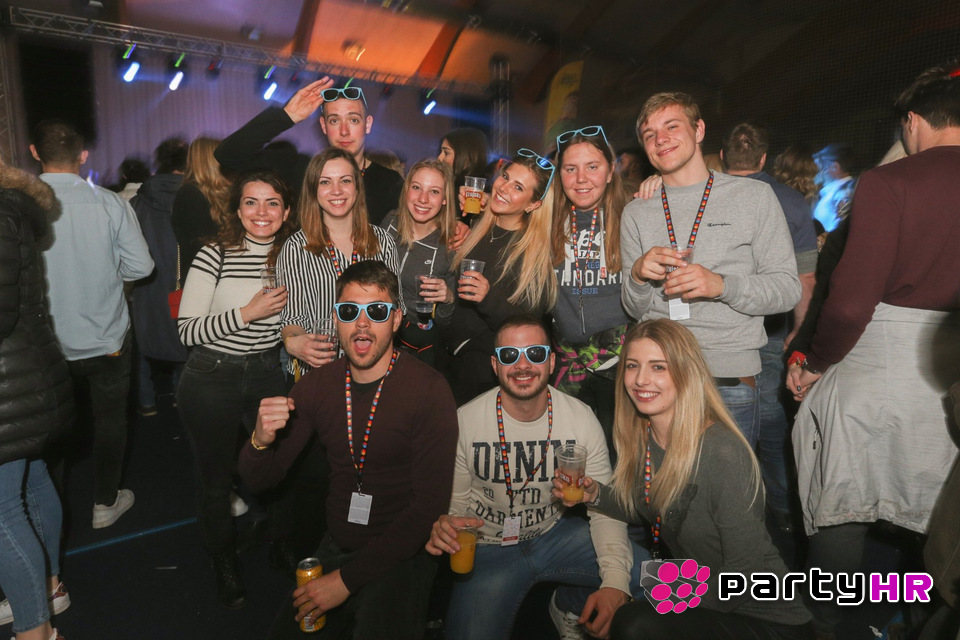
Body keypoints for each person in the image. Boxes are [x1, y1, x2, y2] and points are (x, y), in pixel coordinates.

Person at [788, 61, 960, 639]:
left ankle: (829, 622)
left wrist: (815, 363)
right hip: (953, 378)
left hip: (881, 364)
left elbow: (848, 304)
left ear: (913, 121)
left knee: (842, 496)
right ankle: (920, 620)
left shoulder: (890, 182)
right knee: (943, 513)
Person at [239, 260, 458, 640]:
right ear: (336, 319)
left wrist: (345, 581)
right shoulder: (316, 387)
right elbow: (261, 480)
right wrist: (260, 440)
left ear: (396, 320)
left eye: (377, 311)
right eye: (349, 311)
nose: (362, 324)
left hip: (402, 552)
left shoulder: (429, 390)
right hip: (337, 545)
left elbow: (428, 508)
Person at [558, 319, 812, 640]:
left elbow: (743, 575)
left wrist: (659, 600)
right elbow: (647, 507)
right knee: (628, 594)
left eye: (658, 367)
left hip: (765, 619)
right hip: (706, 589)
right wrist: (594, 494)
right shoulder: (646, 435)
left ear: (686, 373)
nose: (640, 379)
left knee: (633, 621)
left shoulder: (721, 451)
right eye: (633, 365)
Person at [427, 315, 644, 640]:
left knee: (666, 580)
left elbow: (604, 510)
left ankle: (569, 603)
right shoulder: (466, 421)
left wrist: (615, 583)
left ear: (552, 361)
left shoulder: (580, 419)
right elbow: (456, 504)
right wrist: (446, 525)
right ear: (495, 365)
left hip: (555, 536)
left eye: (535, 353)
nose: (523, 365)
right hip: (487, 545)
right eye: (509, 355)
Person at [620, 92, 801, 447]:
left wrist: (721, 285)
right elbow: (633, 308)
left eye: (672, 127)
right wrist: (638, 275)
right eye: (650, 134)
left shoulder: (754, 197)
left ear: (699, 130)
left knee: (727, 482)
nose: (661, 139)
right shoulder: (637, 211)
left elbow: (787, 289)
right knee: (661, 482)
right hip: (658, 379)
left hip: (727, 381)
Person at [176, 169, 294, 608]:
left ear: (286, 211)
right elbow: (187, 331)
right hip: (211, 376)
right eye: (251, 202)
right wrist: (247, 312)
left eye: (272, 202)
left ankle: (279, 540)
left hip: (267, 373)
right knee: (215, 481)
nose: (261, 212)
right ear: (238, 209)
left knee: (278, 467)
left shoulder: (294, 257)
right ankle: (222, 560)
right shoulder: (215, 254)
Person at [32, 119, 154, 529]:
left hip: (47, 343)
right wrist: (105, 274)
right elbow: (141, 266)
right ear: (83, 156)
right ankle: (105, 502)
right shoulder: (109, 203)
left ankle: (53, 512)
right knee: (110, 421)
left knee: (52, 431)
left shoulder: (20, 206)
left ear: (34, 153)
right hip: (107, 337)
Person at [719, 123, 818, 531]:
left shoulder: (710, 195)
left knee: (723, 430)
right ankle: (782, 513)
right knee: (774, 429)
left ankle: (733, 517)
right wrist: (800, 331)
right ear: (763, 159)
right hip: (774, 331)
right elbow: (805, 277)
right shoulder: (791, 200)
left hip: (722, 333)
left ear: (722, 157)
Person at [0, 160, 74, 640]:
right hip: (23, 380)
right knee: (31, 483)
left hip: (10, 387)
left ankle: (37, 630)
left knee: (2, 509)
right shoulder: (12, 207)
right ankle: (47, 589)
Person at [444, 149, 557, 405]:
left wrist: (488, 298)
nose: (503, 188)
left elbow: (529, 325)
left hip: (486, 373)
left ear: (533, 204)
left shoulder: (533, 255)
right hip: (450, 361)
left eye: (518, 187)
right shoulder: (480, 226)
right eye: (505, 177)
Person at [278, 148, 402, 380]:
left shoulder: (382, 241)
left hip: (374, 371)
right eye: (325, 182)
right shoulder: (296, 247)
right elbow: (292, 319)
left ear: (357, 187)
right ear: (313, 190)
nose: (336, 190)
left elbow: (395, 309)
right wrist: (294, 342)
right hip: (318, 372)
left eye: (345, 180)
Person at [215, 78, 403, 225]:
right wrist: (286, 116)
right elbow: (228, 155)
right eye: (334, 121)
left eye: (353, 120)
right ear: (323, 125)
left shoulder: (389, 182)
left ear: (367, 124)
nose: (344, 131)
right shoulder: (301, 171)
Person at [550, 125, 631, 456]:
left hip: (622, 366)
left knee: (620, 458)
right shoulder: (545, 222)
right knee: (567, 458)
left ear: (610, 172)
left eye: (592, 167)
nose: (581, 179)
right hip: (566, 366)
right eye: (570, 169)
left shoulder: (634, 217)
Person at [379, 159, 458, 367]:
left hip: (416, 349)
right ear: (406, 190)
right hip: (377, 328)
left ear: (444, 199)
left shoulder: (449, 246)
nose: (423, 199)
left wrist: (448, 298)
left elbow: (445, 322)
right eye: (416, 187)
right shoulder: (390, 222)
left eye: (434, 192)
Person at [131, 137, 189, 416]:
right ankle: (182, 396)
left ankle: (147, 402)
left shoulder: (138, 202)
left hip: (148, 284)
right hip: (189, 282)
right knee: (187, 341)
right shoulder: (198, 197)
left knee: (144, 344)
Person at [172, 137, 232, 282]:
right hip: (204, 277)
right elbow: (200, 243)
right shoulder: (190, 194)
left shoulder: (225, 192)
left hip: (221, 274)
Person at [437, 128, 488, 217]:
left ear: (466, 158)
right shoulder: (446, 184)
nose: (439, 158)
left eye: (446, 153)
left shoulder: (474, 194)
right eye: (441, 152)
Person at [811, 143, 856, 233]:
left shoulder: (844, 193)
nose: (817, 173)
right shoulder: (833, 192)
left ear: (835, 167)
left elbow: (842, 232)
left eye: (819, 167)